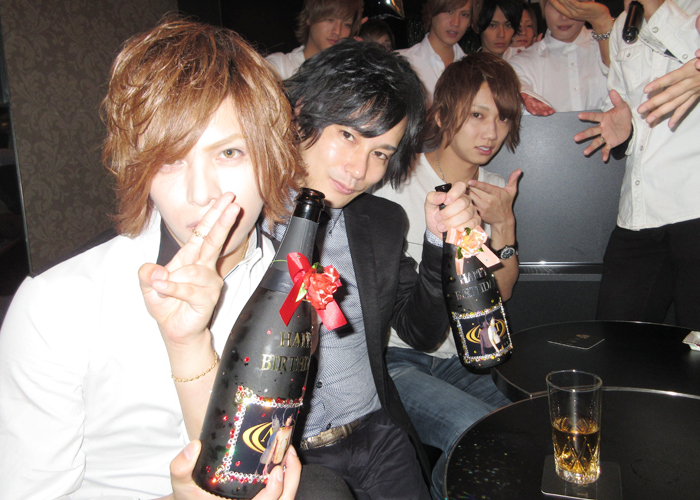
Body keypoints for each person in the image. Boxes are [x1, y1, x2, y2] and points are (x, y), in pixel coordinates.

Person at [0, 17, 352, 500]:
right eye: (170, 158)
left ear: (271, 157)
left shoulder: (294, 290)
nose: (200, 193)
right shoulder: (57, 305)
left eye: (228, 153)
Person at [272, 39, 482, 500]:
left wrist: (439, 243)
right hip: (289, 459)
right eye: (348, 135)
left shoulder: (381, 222)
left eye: (381, 153)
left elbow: (420, 333)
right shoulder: (247, 222)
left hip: (379, 438)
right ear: (301, 113)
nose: (359, 169)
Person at [372, 52, 521, 500]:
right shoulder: (396, 180)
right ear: (441, 114)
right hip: (398, 360)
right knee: (477, 434)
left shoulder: (493, 188)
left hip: (464, 357)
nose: (491, 132)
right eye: (477, 115)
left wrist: (504, 223)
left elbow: (502, 293)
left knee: (528, 424)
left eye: (503, 118)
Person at [574, 0, 700, 330]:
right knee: (616, 340)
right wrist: (624, 130)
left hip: (694, 204)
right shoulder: (624, 25)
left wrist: (656, 9)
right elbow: (623, 103)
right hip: (639, 212)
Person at [509, 0, 614, 116]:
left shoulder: (613, 45)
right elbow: (518, 87)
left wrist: (603, 23)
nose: (564, 17)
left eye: (571, 4)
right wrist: (521, 96)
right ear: (543, 7)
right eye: (556, 6)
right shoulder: (522, 63)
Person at [265, 0, 363, 80]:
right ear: (310, 18)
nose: (337, 31)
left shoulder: (347, 72)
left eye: (347, 25)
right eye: (330, 20)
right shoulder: (281, 66)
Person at [398, 0, 472, 101]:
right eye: (449, 11)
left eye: (464, 15)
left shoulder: (474, 70)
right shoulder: (401, 63)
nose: (456, 23)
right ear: (432, 12)